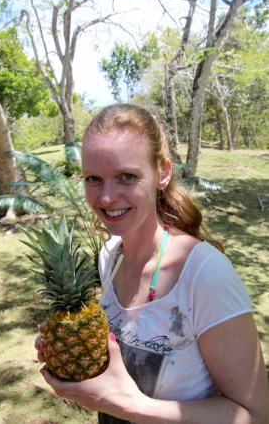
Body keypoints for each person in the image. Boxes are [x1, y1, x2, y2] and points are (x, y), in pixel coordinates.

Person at [35, 104, 269, 424]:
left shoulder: (205, 274)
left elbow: (255, 415)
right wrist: (74, 359)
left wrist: (128, 406)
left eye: (126, 176)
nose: (105, 198)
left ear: (163, 173)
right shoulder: (109, 258)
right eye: (93, 178)